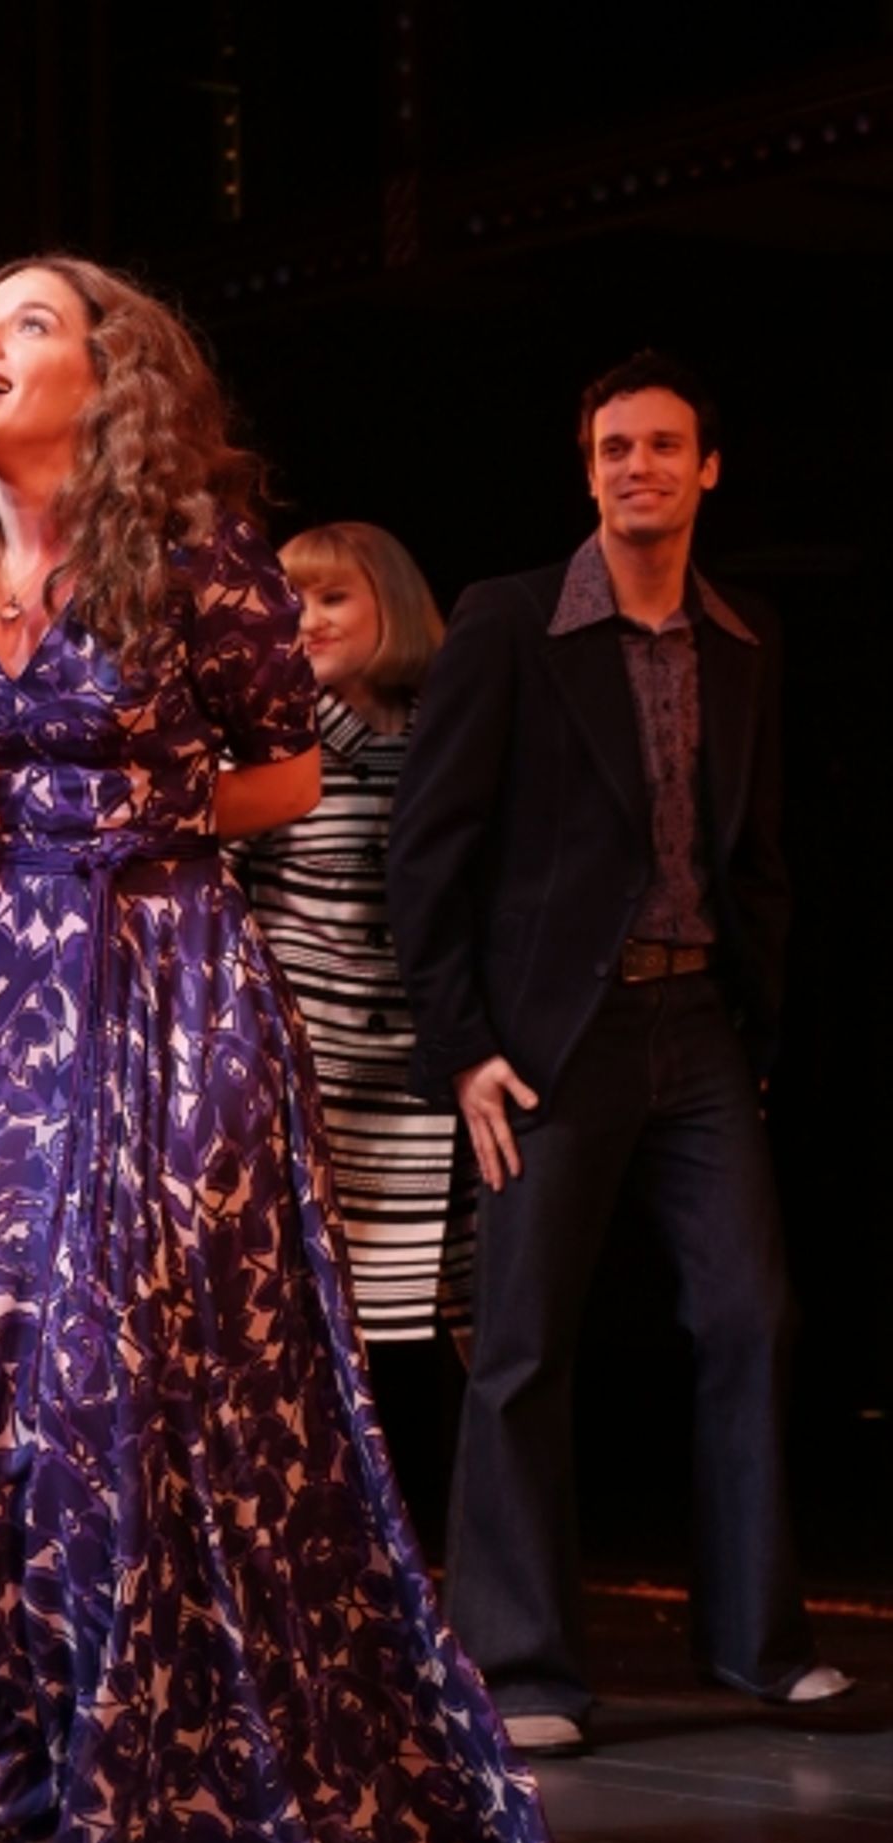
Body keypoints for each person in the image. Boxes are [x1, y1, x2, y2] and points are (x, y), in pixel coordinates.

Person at [0, 254, 553, 1843]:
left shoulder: (195, 555)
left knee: (124, 1416)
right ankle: (12, 1776)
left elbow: (289, 770)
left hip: (173, 987)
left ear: (106, 373)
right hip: (3, 1009)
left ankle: (119, 1819)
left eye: (27, 322)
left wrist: (128, 809)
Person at [387, 351, 850, 1756]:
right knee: (524, 1339)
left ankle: (759, 1645)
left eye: (661, 445)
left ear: (707, 468)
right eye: (612, 448)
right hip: (550, 1040)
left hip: (697, 1020)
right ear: (585, 471)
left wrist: (754, 1026)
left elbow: (756, 851)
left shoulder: (742, 632)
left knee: (749, 1318)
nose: (636, 466)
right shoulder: (513, 619)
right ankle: (519, 1665)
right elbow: (430, 847)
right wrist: (461, 1047)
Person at [237, 521, 472, 1367]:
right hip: (311, 1080)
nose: (307, 620)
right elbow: (214, 895)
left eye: (333, 597)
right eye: (291, 601)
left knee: (462, 1314)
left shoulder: (449, 736)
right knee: (311, 1322)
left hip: (430, 1075)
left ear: (394, 606)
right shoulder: (269, 738)